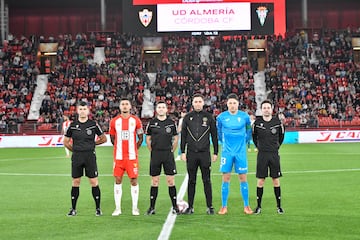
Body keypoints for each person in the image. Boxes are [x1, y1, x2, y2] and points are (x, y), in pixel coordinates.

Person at [63, 101, 107, 217]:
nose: (82, 111)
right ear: (77, 111)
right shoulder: (72, 125)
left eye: (84, 109)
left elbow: (104, 138)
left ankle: (98, 208)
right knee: (76, 182)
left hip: (90, 156)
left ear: (88, 111)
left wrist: (93, 145)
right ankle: (73, 209)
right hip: (77, 157)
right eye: (80, 109)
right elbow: (66, 142)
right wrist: (75, 150)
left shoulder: (93, 124)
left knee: (93, 182)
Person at [180, 93, 218, 215]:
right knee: (191, 181)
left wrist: (216, 152)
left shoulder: (209, 117)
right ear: (192, 103)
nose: (197, 104)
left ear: (203, 103)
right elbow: (183, 136)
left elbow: (214, 135)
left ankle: (210, 206)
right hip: (191, 154)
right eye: (195, 101)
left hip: (204, 154)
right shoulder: (187, 117)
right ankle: (190, 207)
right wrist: (182, 151)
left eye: (199, 101)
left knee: (207, 180)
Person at [216, 93, 253, 215]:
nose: (232, 105)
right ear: (227, 104)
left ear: (238, 104)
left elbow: (248, 131)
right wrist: (224, 143)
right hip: (227, 152)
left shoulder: (245, 117)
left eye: (234, 103)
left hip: (240, 152)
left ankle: (246, 206)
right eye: (230, 103)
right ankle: (224, 206)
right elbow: (219, 132)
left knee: (243, 178)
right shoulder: (221, 117)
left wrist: (244, 142)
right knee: (226, 178)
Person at [109, 97, 144, 216]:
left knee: (133, 180)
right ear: (119, 107)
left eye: (126, 104)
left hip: (132, 157)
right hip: (118, 158)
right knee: (118, 180)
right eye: (122, 104)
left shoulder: (136, 120)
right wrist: (118, 148)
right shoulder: (114, 121)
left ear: (130, 107)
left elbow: (141, 137)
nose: (124, 106)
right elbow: (112, 138)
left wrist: (134, 149)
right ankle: (117, 208)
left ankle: (135, 208)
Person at [145, 101, 180, 215]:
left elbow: (175, 138)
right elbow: (148, 139)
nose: (161, 109)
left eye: (163, 107)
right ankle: (151, 207)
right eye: (159, 107)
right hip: (156, 155)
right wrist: (153, 151)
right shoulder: (152, 123)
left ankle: (175, 207)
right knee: (155, 181)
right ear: (156, 109)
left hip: (168, 155)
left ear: (166, 110)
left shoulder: (171, 123)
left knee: (170, 181)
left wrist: (171, 151)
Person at [252, 99, 285, 214]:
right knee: (260, 181)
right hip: (262, 155)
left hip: (274, 154)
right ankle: (258, 206)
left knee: (275, 180)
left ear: (272, 109)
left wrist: (275, 147)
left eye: (268, 108)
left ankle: (279, 206)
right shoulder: (257, 123)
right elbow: (254, 137)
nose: (266, 110)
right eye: (264, 108)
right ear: (261, 110)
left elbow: (281, 137)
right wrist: (260, 147)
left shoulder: (277, 122)